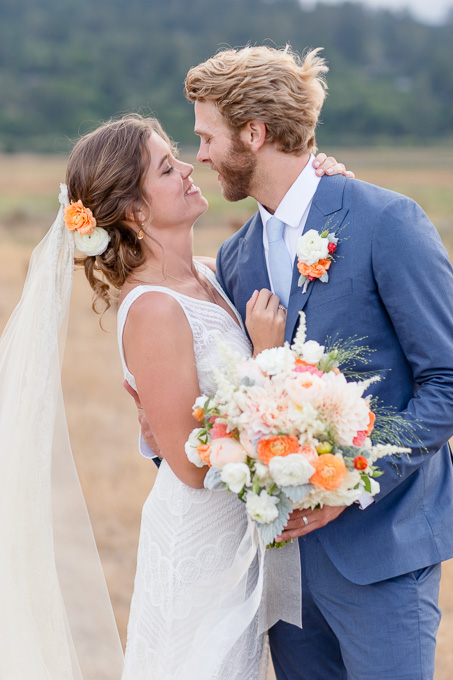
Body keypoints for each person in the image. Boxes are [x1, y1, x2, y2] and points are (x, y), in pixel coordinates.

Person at [0, 113, 344, 679]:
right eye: (167, 167)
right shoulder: (155, 308)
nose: (189, 168)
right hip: (198, 547)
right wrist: (265, 357)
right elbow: (187, 461)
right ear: (135, 211)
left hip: (239, 541)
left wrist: (319, 178)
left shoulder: (210, 274)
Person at [178, 45, 453, 680]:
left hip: (384, 553)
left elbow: (445, 381)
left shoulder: (387, 221)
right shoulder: (237, 257)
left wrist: (347, 481)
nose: (202, 155)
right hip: (286, 573)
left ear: (254, 132)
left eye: (207, 136)